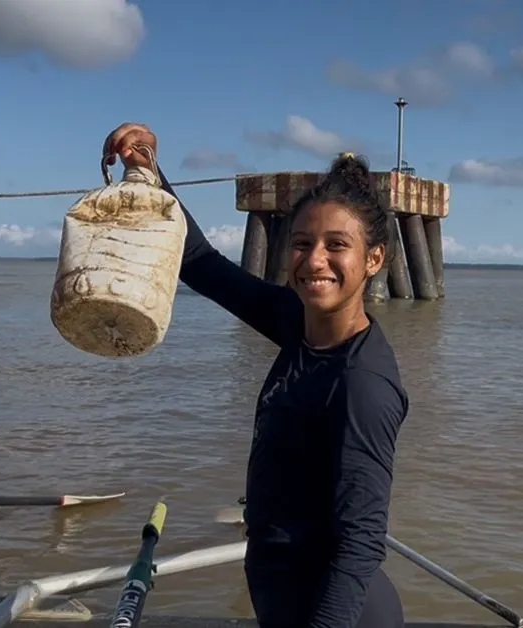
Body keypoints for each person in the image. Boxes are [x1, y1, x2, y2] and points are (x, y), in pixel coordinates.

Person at [103, 123, 409, 628]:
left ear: (373, 258)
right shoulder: (298, 324)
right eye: (302, 243)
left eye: (337, 246)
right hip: (281, 591)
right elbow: (199, 262)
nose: (314, 260)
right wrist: (149, 168)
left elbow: (360, 543)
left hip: (331, 611)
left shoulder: (363, 385)